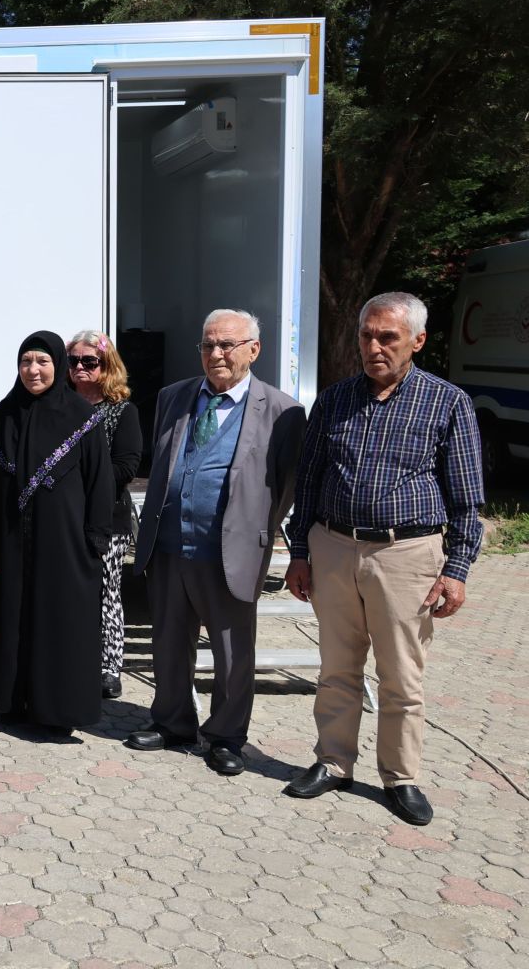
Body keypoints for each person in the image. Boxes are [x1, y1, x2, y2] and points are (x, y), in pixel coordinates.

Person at [282, 292, 483, 826]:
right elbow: (309, 480)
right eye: (366, 335)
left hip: (406, 554)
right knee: (337, 667)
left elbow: (467, 499)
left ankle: (400, 778)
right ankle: (333, 762)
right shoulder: (335, 400)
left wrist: (457, 569)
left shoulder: (447, 403)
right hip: (333, 547)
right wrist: (299, 552)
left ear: (417, 340)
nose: (374, 347)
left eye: (387, 337)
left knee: (401, 677)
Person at [126, 309, 305, 777]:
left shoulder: (282, 411)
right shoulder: (173, 396)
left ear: (253, 349)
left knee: (232, 651)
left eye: (227, 344)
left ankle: (226, 736)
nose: (216, 354)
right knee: (168, 641)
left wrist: (254, 532)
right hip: (169, 546)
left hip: (230, 552)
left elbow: (286, 487)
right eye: (208, 345)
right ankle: (171, 722)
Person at [0, 330, 112, 739]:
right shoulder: (2, 416)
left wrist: (94, 541)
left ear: (58, 365)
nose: (33, 370)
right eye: (26, 362)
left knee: (59, 623)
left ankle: (57, 712)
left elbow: (100, 482)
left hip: (65, 544)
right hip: (12, 543)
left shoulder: (82, 417)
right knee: (15, 620)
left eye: (42, 361)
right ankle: (13, 704)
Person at [67, 330, 142, 699]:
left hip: (108, 518)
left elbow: (126, 466)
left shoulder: (122, 411)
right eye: (73, 361)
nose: (80, 367)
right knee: (69, 592)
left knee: (107, 591)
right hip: (65, 518)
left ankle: (109, 667)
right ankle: (74, 660)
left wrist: (76, 482)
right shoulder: (60, 408)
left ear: (106, 365)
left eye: (89, 361)